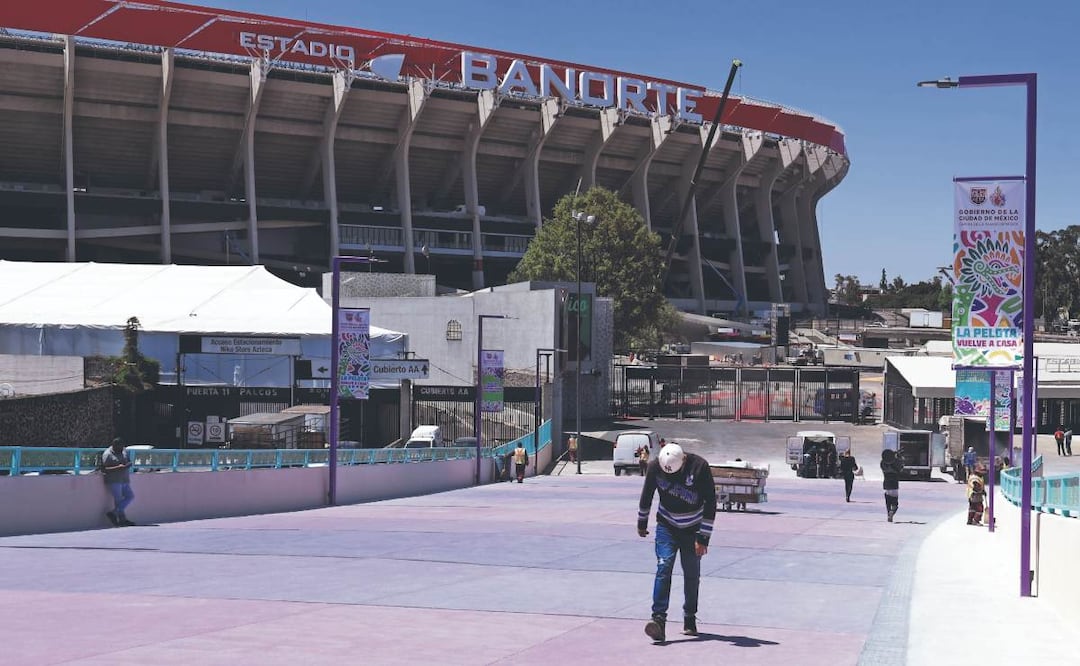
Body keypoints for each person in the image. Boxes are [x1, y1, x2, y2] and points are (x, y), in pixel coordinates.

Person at [637, 442, 717, 643]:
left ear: (683, 460)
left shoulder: (700, 467)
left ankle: (689, 616)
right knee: (664, 568)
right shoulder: (656, 466)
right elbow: (647, 494)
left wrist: (703, 538)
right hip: (667, 525)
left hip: (693, 529)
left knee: (691, 574)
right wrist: (642, 522)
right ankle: (658, 620)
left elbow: (710, 503)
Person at [101, 437, 135, 527]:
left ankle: (114, 513)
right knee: (118, 500)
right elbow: (104, 469)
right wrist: (118, 467)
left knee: (130, 496)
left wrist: (128, 464)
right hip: (114, 480)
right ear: (114, 446)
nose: (121, 449)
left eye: (122, 447)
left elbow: (127, 460)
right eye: (119, 447)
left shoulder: (123, 451)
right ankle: (122, 520)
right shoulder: (107, 454)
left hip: (124, 479)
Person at [880, 449, 903, 523]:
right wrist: (898, 457)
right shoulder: (895, 464)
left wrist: (893, 455)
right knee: (895, 503)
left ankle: (889, 515)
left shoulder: (883, 464)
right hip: (894, 484)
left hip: (886, 484)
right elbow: (900, 468)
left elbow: (886, 460)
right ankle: (892, 513)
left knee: (888, 502)